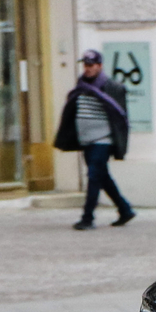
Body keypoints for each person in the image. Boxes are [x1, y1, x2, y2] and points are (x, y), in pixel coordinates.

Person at [53, 49, 134, 229]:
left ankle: (87, 218)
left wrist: (118, 142)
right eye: (85, 65)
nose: (87, 69)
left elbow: (120, 117)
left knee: (93, 176)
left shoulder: (112, 87)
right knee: (102, 176)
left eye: (91, 65)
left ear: (99, 66)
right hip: (86, 141)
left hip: (102, 140)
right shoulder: (80, 87)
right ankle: (125, 209)